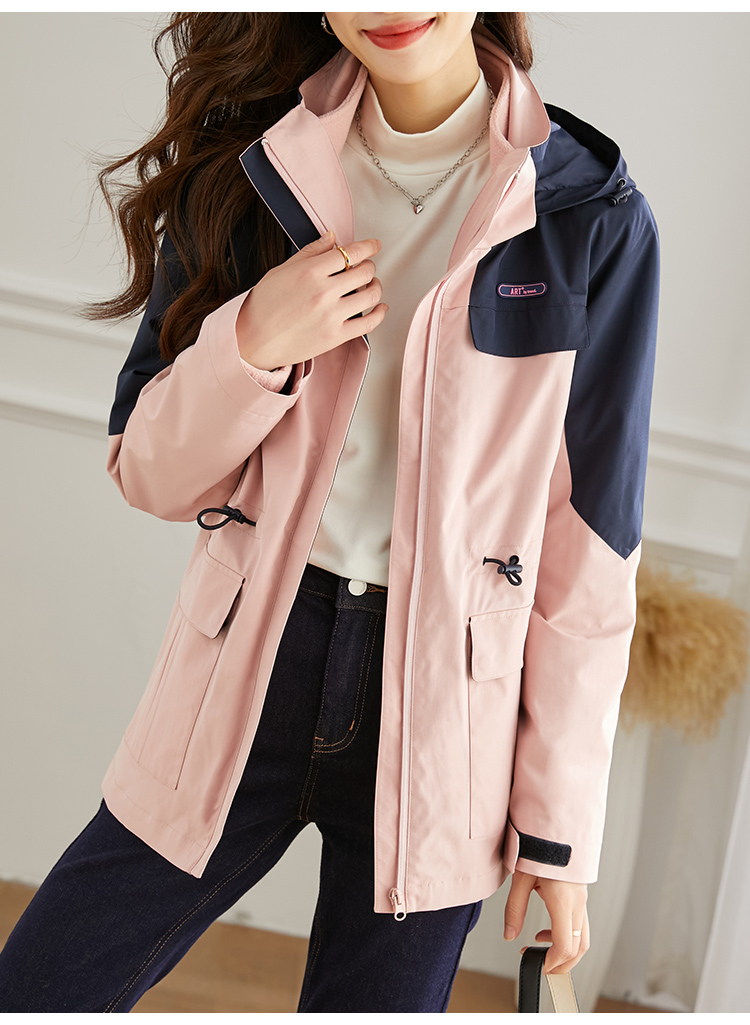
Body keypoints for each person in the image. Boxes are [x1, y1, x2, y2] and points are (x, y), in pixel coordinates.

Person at [0, 12, 659, 1013]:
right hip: (248, 666)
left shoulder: (586, 213)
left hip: (444, 717)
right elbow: (150, 471)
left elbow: (591, 551)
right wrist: (253, 342)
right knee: (40, 987)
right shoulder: (256, 167)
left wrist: (559, 833)